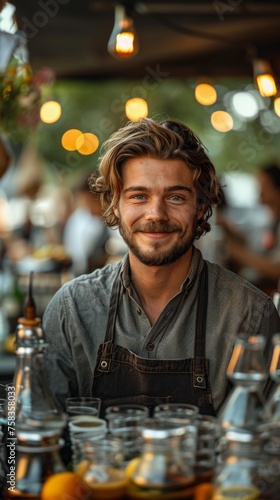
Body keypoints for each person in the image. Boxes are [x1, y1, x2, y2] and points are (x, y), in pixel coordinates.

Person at [42, 118, 280, 417]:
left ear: (201, 206)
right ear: (115, 205)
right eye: (139, 196)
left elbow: (262, 448)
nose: (156, 214)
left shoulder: (250, 316)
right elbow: (38, 437)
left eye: (176, 197)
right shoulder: (72, 309)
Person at [219, 163, 280, 296]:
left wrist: (238, 253)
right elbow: (251, 242)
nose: (260, 191)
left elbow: (276, 270)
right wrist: (227, 228)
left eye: (265, 185)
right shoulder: (270, 222)